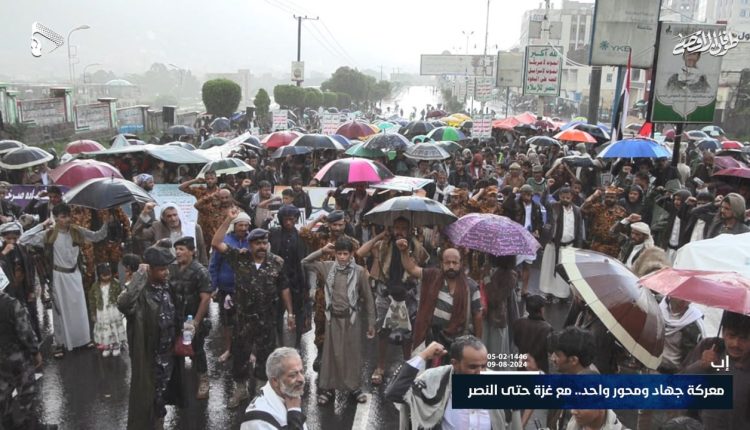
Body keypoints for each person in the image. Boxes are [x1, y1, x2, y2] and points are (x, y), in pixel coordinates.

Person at [211, 210, 295, 409]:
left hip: (267, 318)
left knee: (265, 356)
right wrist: (228, 219)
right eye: (257, 243)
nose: (262, 246)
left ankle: (260, 390)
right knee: (240, 354)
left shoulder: (277, 262)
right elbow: (216, 243)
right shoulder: (240, 258)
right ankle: (240, 390)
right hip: (243, 318)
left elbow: (284, 287)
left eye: (264, 243)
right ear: (249, 244)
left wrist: (290, 313)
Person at [20, 203, 109, 358]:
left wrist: (107, 222)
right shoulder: (49, 234)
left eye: (68, 216)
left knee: (80, 309)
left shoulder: (77, 231)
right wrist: (41, 225)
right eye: (63, 217)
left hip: (75, 275)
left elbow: (97, 236)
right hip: (58, 276)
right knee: (60, 311)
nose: (67, 219)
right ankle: (60, 343)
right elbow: (23, 239)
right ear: (56, 218)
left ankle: (83, 339)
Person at [117, 246, 185, 430]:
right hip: (149, 358)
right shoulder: (139, 293)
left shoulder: (167, 286)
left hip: (167, 355)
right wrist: (139, 275)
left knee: (160, 396)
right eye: (162, 269)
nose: (166, 272)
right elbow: (123, 304)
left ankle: (159, 425)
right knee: (147, 399)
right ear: (150, 269)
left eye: (167, 268)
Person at [385, 337, 519, 430]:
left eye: (483, 366)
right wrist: (424, 355)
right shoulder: (435, 380)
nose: (480, 373)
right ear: (455, 363)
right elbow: (395, 393)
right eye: (472, 367)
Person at [302, 238, 375, 405]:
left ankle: (354, 387)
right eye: (339, 253)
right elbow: (305, 262)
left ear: (351, 255)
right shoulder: (327, 266)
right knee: (332, 354)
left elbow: (368, 298)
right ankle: (328, 388)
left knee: (352, 353)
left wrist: (371, 323)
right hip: (332, 318)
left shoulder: (359, 271)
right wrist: (323, 251)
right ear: (335, 254)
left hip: (352, 319)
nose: (342, 257)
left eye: (345, 254)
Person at [357, 217, 428, 384]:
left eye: (403, 228)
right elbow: (360, 253)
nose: (399, 231)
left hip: (408, 294)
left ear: (410, 230)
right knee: (383, 331)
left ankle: (407, 367)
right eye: (396, 228)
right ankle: (380, 367)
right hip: (385, 293)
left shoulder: (417, 247)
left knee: (408, 334)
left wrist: (407, 250)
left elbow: (422, 266)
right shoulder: (383, 245)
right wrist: (380, 236)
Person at [398, 243, 483, 364]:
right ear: (442, 264)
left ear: (461, 264)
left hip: (459, 342)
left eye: (455, 263)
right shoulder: (433, 276)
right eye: (447, 263)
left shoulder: (471, 287)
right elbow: (411, 268)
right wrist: (404, 251)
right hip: (434, 338)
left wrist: (477, 345)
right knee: (432, 375)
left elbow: (478, 316)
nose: (451, 266)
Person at [299, 210, 360, 372]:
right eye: (334, 224)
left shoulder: (352, 243)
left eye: (340, 224)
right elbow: (303, 233)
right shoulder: (322, 240)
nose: (338, 228)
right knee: (321, 322)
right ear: (329, 225)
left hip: (344, 291)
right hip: (323, 289)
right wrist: (318, 219)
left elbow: (360, 264)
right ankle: (321, 354)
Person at [682, 311, 750, 429]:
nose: (736, 344)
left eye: (744, 338)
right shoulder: (708, 346)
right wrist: (700, 366)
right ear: (723, 332)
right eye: (731, 335)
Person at [170, 236, 213, 400]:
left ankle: (203, 381)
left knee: (196, 351)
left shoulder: (200, 271)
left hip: (193, 319)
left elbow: (205, 298)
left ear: (192, 252)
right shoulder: (173, 269)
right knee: (176, 350)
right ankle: (179, 384)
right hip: (176, 318)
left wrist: (195, 322)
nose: (178, 252)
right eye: (177, 249)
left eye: (182, 249)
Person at [0, 276, 43, 430]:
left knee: (3, 395)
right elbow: (25, 333)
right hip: (18, 358)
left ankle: (7, 424)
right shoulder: (12, 305)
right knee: (26, 393)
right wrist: (35, 351)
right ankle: (30, 425)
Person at [209, 211, 251, 363]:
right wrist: (213, 287)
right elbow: (214, 265)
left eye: (246, 225)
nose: (243, 228)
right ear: (234, 226)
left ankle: (249, 351)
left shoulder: (252, 241)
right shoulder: (225, 241)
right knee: (227, 322)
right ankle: (229, 349)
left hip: (247, 289)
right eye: (240, 225)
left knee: (248, 321)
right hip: (227, 289)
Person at [269, 205, 308, 347]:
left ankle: (297, 344)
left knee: (299, 311)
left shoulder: (301, 236)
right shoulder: (274, 233)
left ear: (296, 219)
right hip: (277, 278)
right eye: (285, 220)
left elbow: (306, 259)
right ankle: (279, 343)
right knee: (277, 313)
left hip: (296, 278)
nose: (288, 223)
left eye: (291, 219)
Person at [240, 347, 307, 430]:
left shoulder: (290, 396)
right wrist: (294, 412)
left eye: (302, 372)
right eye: (293, 375)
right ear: (275, 381)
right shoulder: (259, 420)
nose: (301, 379)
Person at [539, 186, 584, 302]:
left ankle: (562, 295)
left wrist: (578, 248)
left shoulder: (577, 210)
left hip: (569, 247)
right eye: (563, 197)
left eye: (567, 197)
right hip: (553, 245)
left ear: (572, 197)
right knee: (549, 271)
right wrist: (547, 188)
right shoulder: (554, 207)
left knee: (564, 272)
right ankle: (548, 293)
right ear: (559, 197)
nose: (565, 199)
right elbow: (543, 201)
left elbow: (579, 230)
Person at [132, 202, 208, 265]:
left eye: (175, 215)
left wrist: (205, 268)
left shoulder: (194, 228)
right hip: (166, 268)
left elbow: (201, 250)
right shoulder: (157, 226)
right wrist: (144, 214)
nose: (173, 219)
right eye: (169, 216)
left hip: (190, 267)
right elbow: (137, 234)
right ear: (164, 218)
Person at [0, 222, 40, 338]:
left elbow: (30, 270)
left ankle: (35, 342)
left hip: (24, 288)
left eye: (14, 238)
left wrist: (32, 289)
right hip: (9, 291)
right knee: (15, 318)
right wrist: (3, 253)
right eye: (8, 238)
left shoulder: (22, 249)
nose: (12, 241)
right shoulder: (2, 250)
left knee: (31, 315)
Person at [88, 263, 126, 357]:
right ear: (100, 275)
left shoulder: (115, 283)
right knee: (105, 330)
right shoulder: (95, 286)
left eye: (109, 274)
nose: (107, 277)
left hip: (113, 311)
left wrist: (122, 308)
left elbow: (121, 296)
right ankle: (107, 346)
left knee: (114, 328)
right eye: (104, 275)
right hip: (101, 311)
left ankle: (116, 345)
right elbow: (92, 300)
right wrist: (93, 313)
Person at [512, 185, 543, 297]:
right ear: (521, 194)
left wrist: (537, 230)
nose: (527, 196)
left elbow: (540, 221)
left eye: (529, 194)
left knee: (528, 265)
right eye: (525, 194)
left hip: (530, 237)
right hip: (517, 237)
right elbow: (508, 214)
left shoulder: (536, 206)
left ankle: (524, 289)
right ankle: (514, 287)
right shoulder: (515, 204)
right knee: (514, 264)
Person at [582, 186, 628, 258]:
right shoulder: (598, 207)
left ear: (616, 198)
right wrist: (594, 195)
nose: (609, 199)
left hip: (614, 247)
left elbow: (624, 230)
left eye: (612, 197)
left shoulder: (622, 211)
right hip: (597, 245)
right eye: (607, 197)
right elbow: (583, 209)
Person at [512, 295, 554, 373]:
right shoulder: (547, 328)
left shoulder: (518, 323)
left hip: (522, 365)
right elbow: (550, 350)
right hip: (539, 366)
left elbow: (516, 342)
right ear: (542, 309)